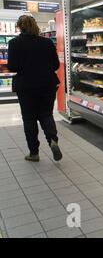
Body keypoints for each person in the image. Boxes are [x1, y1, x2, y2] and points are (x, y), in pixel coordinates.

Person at [7, 15, 62, 162]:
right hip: (47, 83)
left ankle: (34, 153)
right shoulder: (47, 42)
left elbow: (12, 66)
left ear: (20, 26)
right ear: (35, 25)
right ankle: (52, 140)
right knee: (46, 114)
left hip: (26, 85)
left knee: (29, 119)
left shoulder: (14, 43)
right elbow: (56, 65)